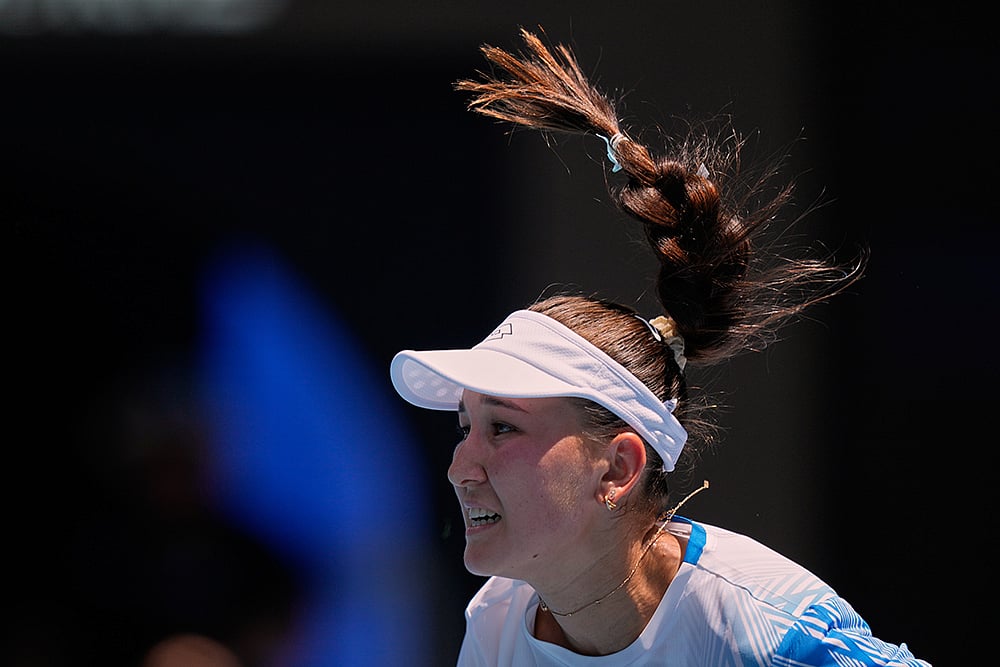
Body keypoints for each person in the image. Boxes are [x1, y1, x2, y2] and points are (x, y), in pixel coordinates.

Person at [389, 27, 931, 666]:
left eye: (502, 428)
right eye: (466, 427)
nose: (460, 466)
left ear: (617, 468)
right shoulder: (496, 623)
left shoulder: (771, 634)